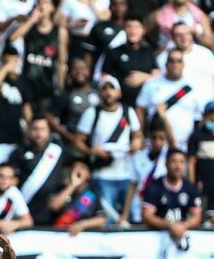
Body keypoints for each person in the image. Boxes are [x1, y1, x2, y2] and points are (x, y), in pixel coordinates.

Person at [75, 75, 143, 224]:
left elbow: (138, 135)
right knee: (107, 218)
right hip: (102, 174)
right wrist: (92, 151)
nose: (108, 92)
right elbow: (78, 141)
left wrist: (136, 144)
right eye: (104, 88)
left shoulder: (128, 111)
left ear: (118, 92)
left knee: (131, 217)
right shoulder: (92, 113)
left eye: (111, 88)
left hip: (126, 172)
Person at [142, 148, 202, 259]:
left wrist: (183, 226)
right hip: (158, 237)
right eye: (174, 162)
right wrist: (170, 225)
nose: (178, 166)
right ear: (166, 164)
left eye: (181, 162)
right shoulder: (154, 187)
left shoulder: (190, 187)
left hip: (182, 235)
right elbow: (147, 216)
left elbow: (197, 216)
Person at [136, 48, 203, 151]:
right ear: (166, 63)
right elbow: (140, 109)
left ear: (183, 64)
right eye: (171, 60)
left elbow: (200, 117)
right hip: (156, 144)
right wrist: (139, 135)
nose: (175, 64)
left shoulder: (193, 86)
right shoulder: (151, 84)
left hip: (184, 145)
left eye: (178, 61)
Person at [156, 22, 214, 116]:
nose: (184, 37)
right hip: (179, 113)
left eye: (187, 33)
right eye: (179, 35)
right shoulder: (163, 58)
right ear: (172, 38)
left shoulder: (205, 54)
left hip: (206, 112)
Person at [10, 0, 68, 114]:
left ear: (52, 7)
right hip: (27, 83)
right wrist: (32, 19)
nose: (41, 5)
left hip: (47, 84)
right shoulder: (30, 26)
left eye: (45, 3)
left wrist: (61, 87)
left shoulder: (59, 31)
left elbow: (61, 61)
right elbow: (13, 38)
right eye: (38, 3)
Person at [9, 116, 66, 226]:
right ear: (29, 130)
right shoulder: (18, 152)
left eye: (43, 129)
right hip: (23, 209)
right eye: (35, 129)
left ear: (49, 131)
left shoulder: (58, 151)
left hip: (50, 211)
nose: (39, 133)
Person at [0, 46, 32, 166]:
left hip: (15, 137)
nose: (10, 65)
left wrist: (29, 131)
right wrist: (5, 69)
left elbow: (27, 110)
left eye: (13, 61)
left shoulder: (22, 82)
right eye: (6, 61)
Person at [101, 15, 158, 107]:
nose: (132, 30)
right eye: (129, 26)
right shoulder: (114, 51)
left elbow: (157, 74)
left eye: (136, 27)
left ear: (143, 30)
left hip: (144, 104)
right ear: (124, 29)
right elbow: (104, 76)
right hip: (120, 104)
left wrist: (144, 77)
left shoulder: (147, 51)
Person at [47, 57, 100, 152]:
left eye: (82, 68)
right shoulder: (66, 93)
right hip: (73, 146)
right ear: (70, 72)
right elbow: (49, 116)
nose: (79, 72)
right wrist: (69, 136)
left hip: (97, 143)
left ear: (89, 70)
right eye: (75, 69)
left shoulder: (98, 90)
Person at [47, 158, 107, 235]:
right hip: (59, 235)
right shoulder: (60, 189)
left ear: (88, 174)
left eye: (82, 167)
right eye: (74, 167)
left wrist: (82, 224)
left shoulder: (92, 194)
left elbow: (101, 219)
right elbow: (54, 206)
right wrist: (73, 185)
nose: (78, 170)